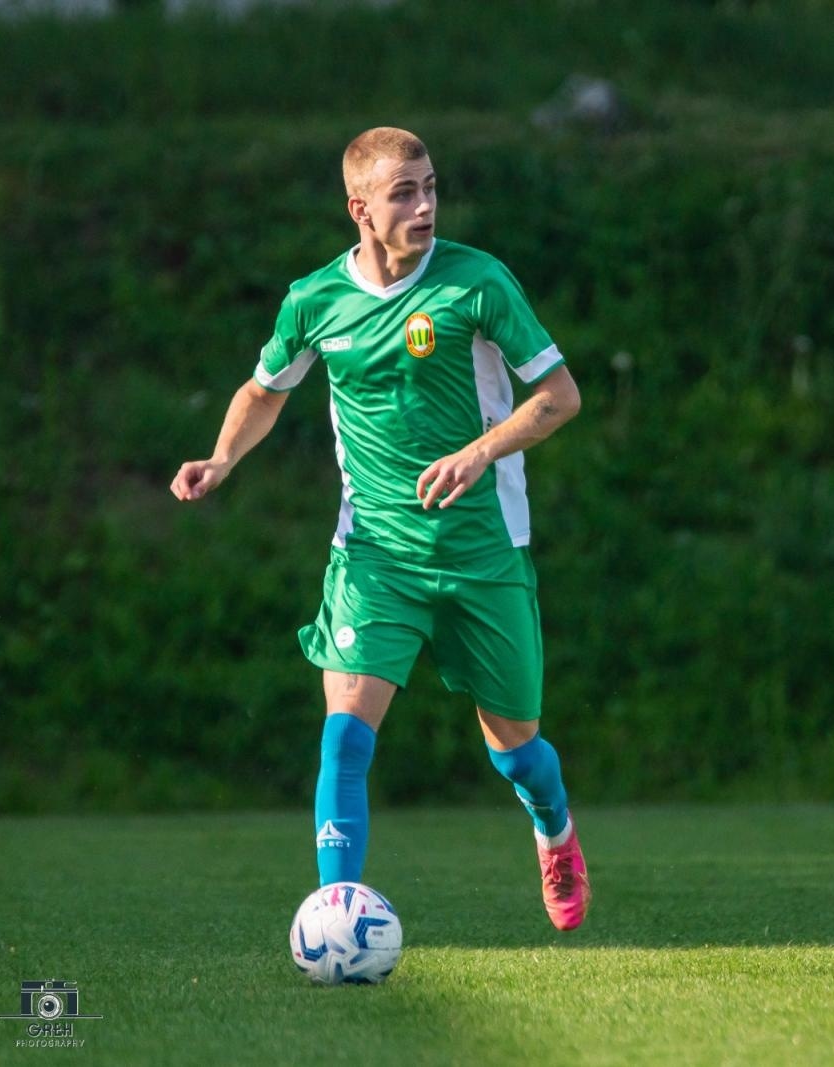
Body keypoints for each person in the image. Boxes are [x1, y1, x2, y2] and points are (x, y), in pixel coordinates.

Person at [171, 126, 591, 931]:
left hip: (483, 551)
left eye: (432, 186)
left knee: (517, 752)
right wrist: (222, 458)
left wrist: (479, 451)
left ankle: (555, 830)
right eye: (406, 192)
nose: (427, 204)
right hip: (374, 554)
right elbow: (264, 390)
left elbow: (561, 396)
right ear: (359, 208)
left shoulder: (479, 283)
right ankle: (336, 915)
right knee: (344, 740)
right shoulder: (315, 299)